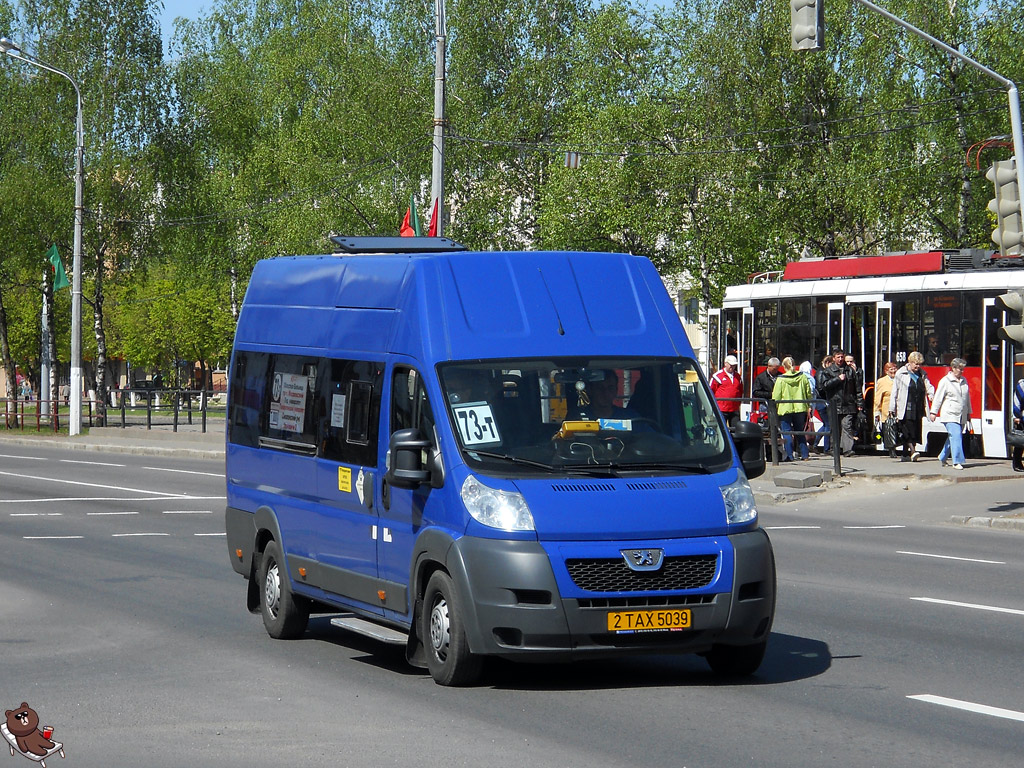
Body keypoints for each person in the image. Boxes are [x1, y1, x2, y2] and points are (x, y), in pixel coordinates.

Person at [889, 351, 935, 462]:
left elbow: (928, 386)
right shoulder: (901, 373)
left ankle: (905, 454)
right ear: (909, 362)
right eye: (915, 363)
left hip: (918, 406)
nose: (917, 366)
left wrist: (931, 395)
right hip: (905, 406)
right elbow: (894, 392)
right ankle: (913, 451)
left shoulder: (922, 374)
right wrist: (891, 408)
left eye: (919, 364)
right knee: (906, 429)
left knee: (914, 429)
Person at [817, 347, 860, 456]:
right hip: (834, 403)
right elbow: (823, 386)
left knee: (847, 426)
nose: (840, 359)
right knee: (834, 428)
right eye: (838, 357)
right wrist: (837, 379)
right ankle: (834, 449)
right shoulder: (828, 371)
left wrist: (860, 403)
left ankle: (847, 449)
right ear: (834, 358)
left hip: (848, 404)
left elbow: (857, 388)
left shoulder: (850, 371)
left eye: (842, 357)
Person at [930, 358, 971, 470]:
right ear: (953, 368)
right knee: (956, 436)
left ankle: (942, 456)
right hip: (949, 413)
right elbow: (938, 397)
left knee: (953, 437)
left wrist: (969, 413)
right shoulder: (945, 381)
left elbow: (967, 398)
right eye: (960, 369)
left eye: (963, 369)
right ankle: (957, 461)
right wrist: (933, 412)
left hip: (961, 414)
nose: (962, 371)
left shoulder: (964, 380)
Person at [772, 357, 812, 461]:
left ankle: (789, 456)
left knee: (787, 432)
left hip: (785, 408)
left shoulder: (781, 379)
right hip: (800, 408)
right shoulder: (802, 376)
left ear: (784, 367)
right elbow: (808, 392)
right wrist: (808, 405)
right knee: (800, 431)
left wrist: (775, 407)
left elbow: (776, 396)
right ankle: (805, 455)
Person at [873, 361, 898, 458]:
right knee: (888, 430)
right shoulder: (882, 381)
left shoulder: (899, 379)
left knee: (897, 430)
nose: (893, 371)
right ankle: (891, 450)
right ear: (886, 371)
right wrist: (877, 411)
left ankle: (895, 446)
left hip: (898, 409)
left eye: (894, 369)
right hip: (886, 410)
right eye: (891, 369)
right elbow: (878, 397)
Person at [710, 355, 742, 429]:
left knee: (736, 429)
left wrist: (738, 403)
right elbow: (711, 391)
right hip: (721, 409)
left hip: (734, 409)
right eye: (731, 365)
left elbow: (740, 390)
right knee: (721, 429)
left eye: (734, 365)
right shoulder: (717, 376)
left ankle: (735, 441)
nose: (732, 367)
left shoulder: (738, 376)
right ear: (725, 364)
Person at [751, 357, 781, 425]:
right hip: (765, 404)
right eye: (774, 369)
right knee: (766, 424)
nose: (776, 371)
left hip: (778, 404)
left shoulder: (781, 376)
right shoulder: (761, 377)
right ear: (769, 366)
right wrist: (771, 394)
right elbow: (756, 392)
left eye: (777, 368)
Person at [1010, 377, 1023, 472]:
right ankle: (1017, 464)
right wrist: (1016, 416)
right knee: (1020, 442)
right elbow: (1017, 401)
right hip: (1022, 418)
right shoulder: (1022, 385)